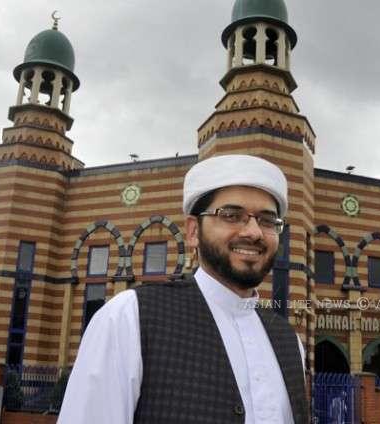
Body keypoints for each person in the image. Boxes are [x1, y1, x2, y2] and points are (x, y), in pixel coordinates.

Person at [58, 155, 308, 423]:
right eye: (232, 215)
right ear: (193, 231)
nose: (254, 232)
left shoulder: (288, 342)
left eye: (267, 221)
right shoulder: (130, 317)